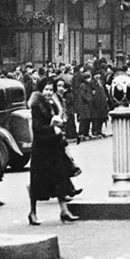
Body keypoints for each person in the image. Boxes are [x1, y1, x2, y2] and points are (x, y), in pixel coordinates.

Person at [27, 78, 79, 225]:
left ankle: (64, 210)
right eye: (46, 89)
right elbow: (36, 128)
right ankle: (32, 212)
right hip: (41, 149)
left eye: (51, 89)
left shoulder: (52, 104)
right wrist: (52, 128)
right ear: (41, 90)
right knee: (37, 182)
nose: (49, 92)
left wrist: (58, 126)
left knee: (60, 178)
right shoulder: (37, 106)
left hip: (54, 146)